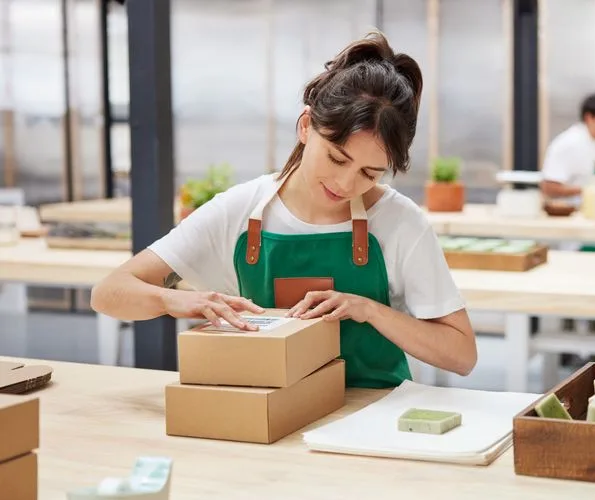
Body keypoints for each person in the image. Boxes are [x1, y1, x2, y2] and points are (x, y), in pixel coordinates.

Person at [90, 32, 478, 389]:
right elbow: (109, 293)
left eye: (369, 173)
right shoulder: (238, 209)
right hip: (267, 408)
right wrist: (173, 300)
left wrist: (370, 310)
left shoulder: (400, 221)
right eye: (337, 158)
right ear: (307, 126)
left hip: (372, 414)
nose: (345, 184)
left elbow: (461, 356)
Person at [539, 92, 595, 203]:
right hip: (573, 212)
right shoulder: (567, 144)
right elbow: (549, 187)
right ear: (589, 118)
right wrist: (588, 190)